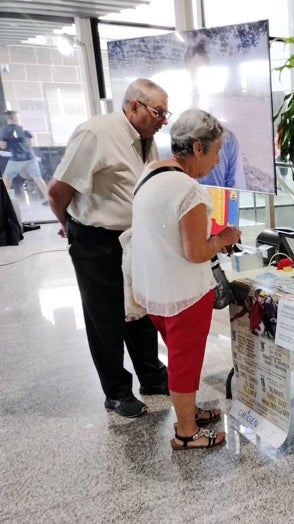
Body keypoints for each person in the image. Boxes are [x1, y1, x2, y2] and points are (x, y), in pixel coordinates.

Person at [47, 78, 171, 418]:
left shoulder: (148, 139)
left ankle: (151, 374)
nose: (164, 120)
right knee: (104, 316)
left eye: (165, 113)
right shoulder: (96, 134)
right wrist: (68, 226)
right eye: (158, 112)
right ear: (133, 107)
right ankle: (116, 391)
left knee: (139, 308)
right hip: (96, 239)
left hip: (135, 239)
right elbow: (58, 190)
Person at [130, 109, 241, 450]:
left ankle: (189, 411)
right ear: (196, 148)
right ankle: (186, 432)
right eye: (216, 151)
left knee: (179, 355)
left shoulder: (150, 174)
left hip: (154, 288)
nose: (218, 159)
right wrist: (224, 238)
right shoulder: (189, 190)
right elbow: (197, 252)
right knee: (184, 360)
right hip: (185, 293)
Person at [1, 110, 49, 204]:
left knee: (7, 176)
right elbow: (30, 144)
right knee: (38, 178)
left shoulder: (4, 129)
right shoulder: (24, 128)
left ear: (7, 118)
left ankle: (4, 201)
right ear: (16, 118)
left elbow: (3, 146)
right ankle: (48, 199)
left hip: (16, 158)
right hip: (30, 157)